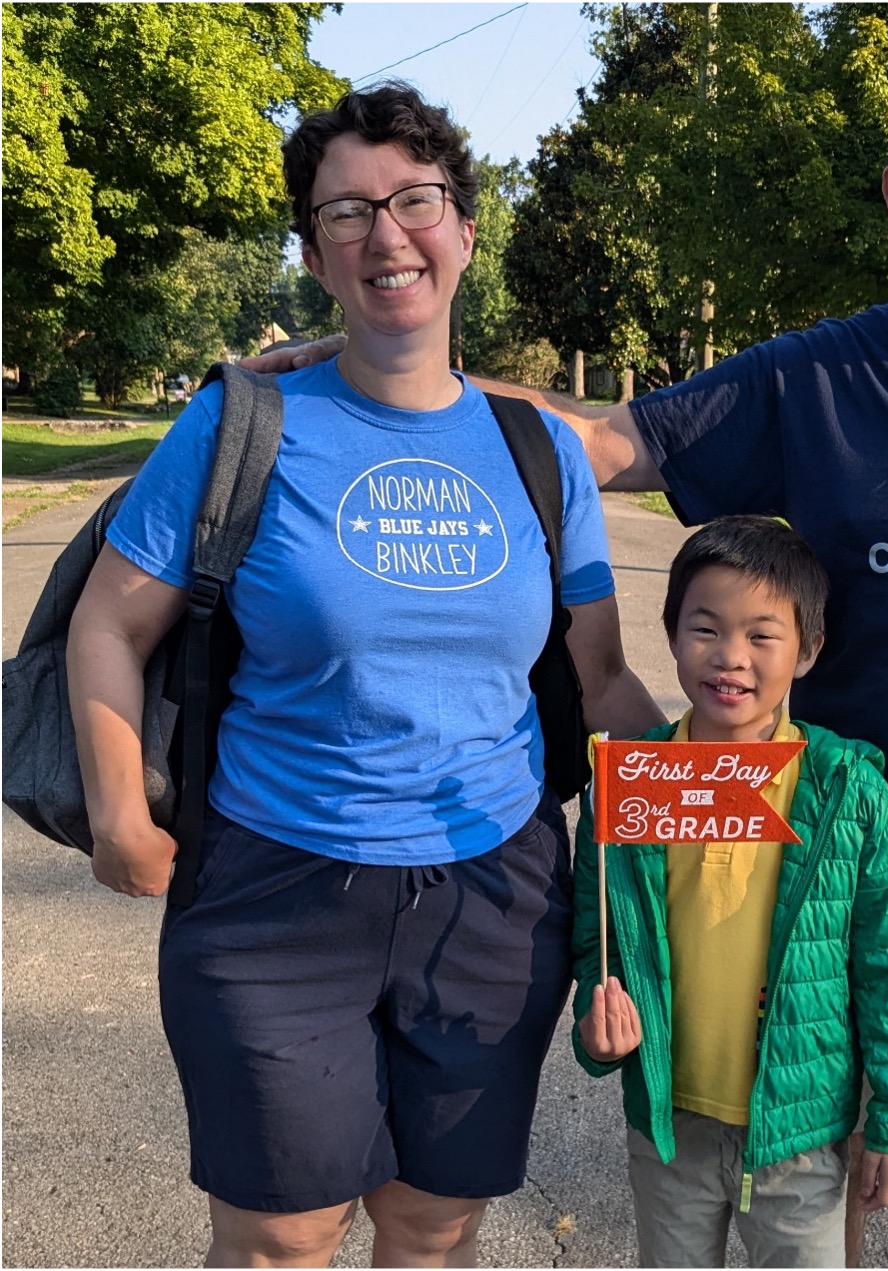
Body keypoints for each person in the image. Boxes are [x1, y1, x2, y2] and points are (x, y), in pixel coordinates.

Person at [252, 40, 888, 1269]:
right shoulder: (819, 370)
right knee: (794, 1166)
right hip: (797, 823)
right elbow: (602, 444)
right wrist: (387, 374)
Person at [67, 83, 664, 1268]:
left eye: (415, 202)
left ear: (464, 230)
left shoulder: (538, 450)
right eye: (347, 213)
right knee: (280, 1233)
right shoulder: (244, 423)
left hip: (493, 893)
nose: (386, 236)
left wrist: (733, 784)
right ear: (314, 251)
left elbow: (600, 680)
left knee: (431, 1223)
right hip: (274, 885)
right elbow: (106, 627)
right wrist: (117, 813)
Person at [571, 516, 888, 1268]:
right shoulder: (628, 784)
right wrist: (596, 1023)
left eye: (762, 635)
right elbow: (595, 936)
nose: (730, 657)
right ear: (671, 634)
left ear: (809, 649)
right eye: (705, 628)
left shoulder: (847, 791)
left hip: (801, 1132)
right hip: (672, 1121)